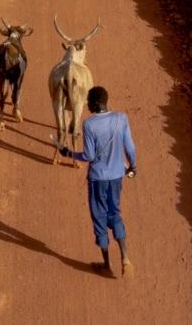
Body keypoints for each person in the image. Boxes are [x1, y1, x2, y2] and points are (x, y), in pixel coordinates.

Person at [58, 86, 137, 277]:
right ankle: (125, 258)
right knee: (115, 213)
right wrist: (132, 167)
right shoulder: (121, 118)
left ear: (93, 104)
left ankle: (106, 265)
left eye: (88, 102)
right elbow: (130, 148)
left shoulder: (89, 125)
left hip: (98, 180)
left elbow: (89, 155)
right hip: (117, 177)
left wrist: (69, 153)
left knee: (100, 219)